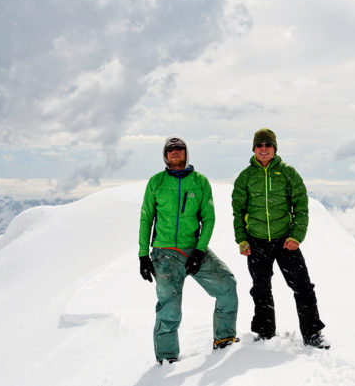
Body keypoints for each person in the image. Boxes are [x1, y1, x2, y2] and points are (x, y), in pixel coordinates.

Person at [139, 136, 238, 364]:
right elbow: (146, 218)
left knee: (227, 285)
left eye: (179, 148)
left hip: (194, 250)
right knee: (169, 309)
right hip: (164, 254)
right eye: (170, 149)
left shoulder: (200, 181)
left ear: (186, 153)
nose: (175, 151)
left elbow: (209, 218)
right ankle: (166, 359)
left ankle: (224, 340)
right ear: (165, 155)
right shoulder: (156, 182)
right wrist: (143, 255)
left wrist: (200, 251)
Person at [232, 128, 329, 349]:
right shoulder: (245, 177)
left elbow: (301, 208)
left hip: (286, 241)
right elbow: (238, 212)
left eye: (268, 145)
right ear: (254, 148)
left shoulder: (288, 173)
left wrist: (296, 236)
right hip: (256, 242)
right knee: (261, 288)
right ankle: (265, 333)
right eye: (259, 145)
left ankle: (313, 334)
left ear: (275, 148)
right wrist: (242, 240)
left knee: (303, 286)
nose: (263, 149)